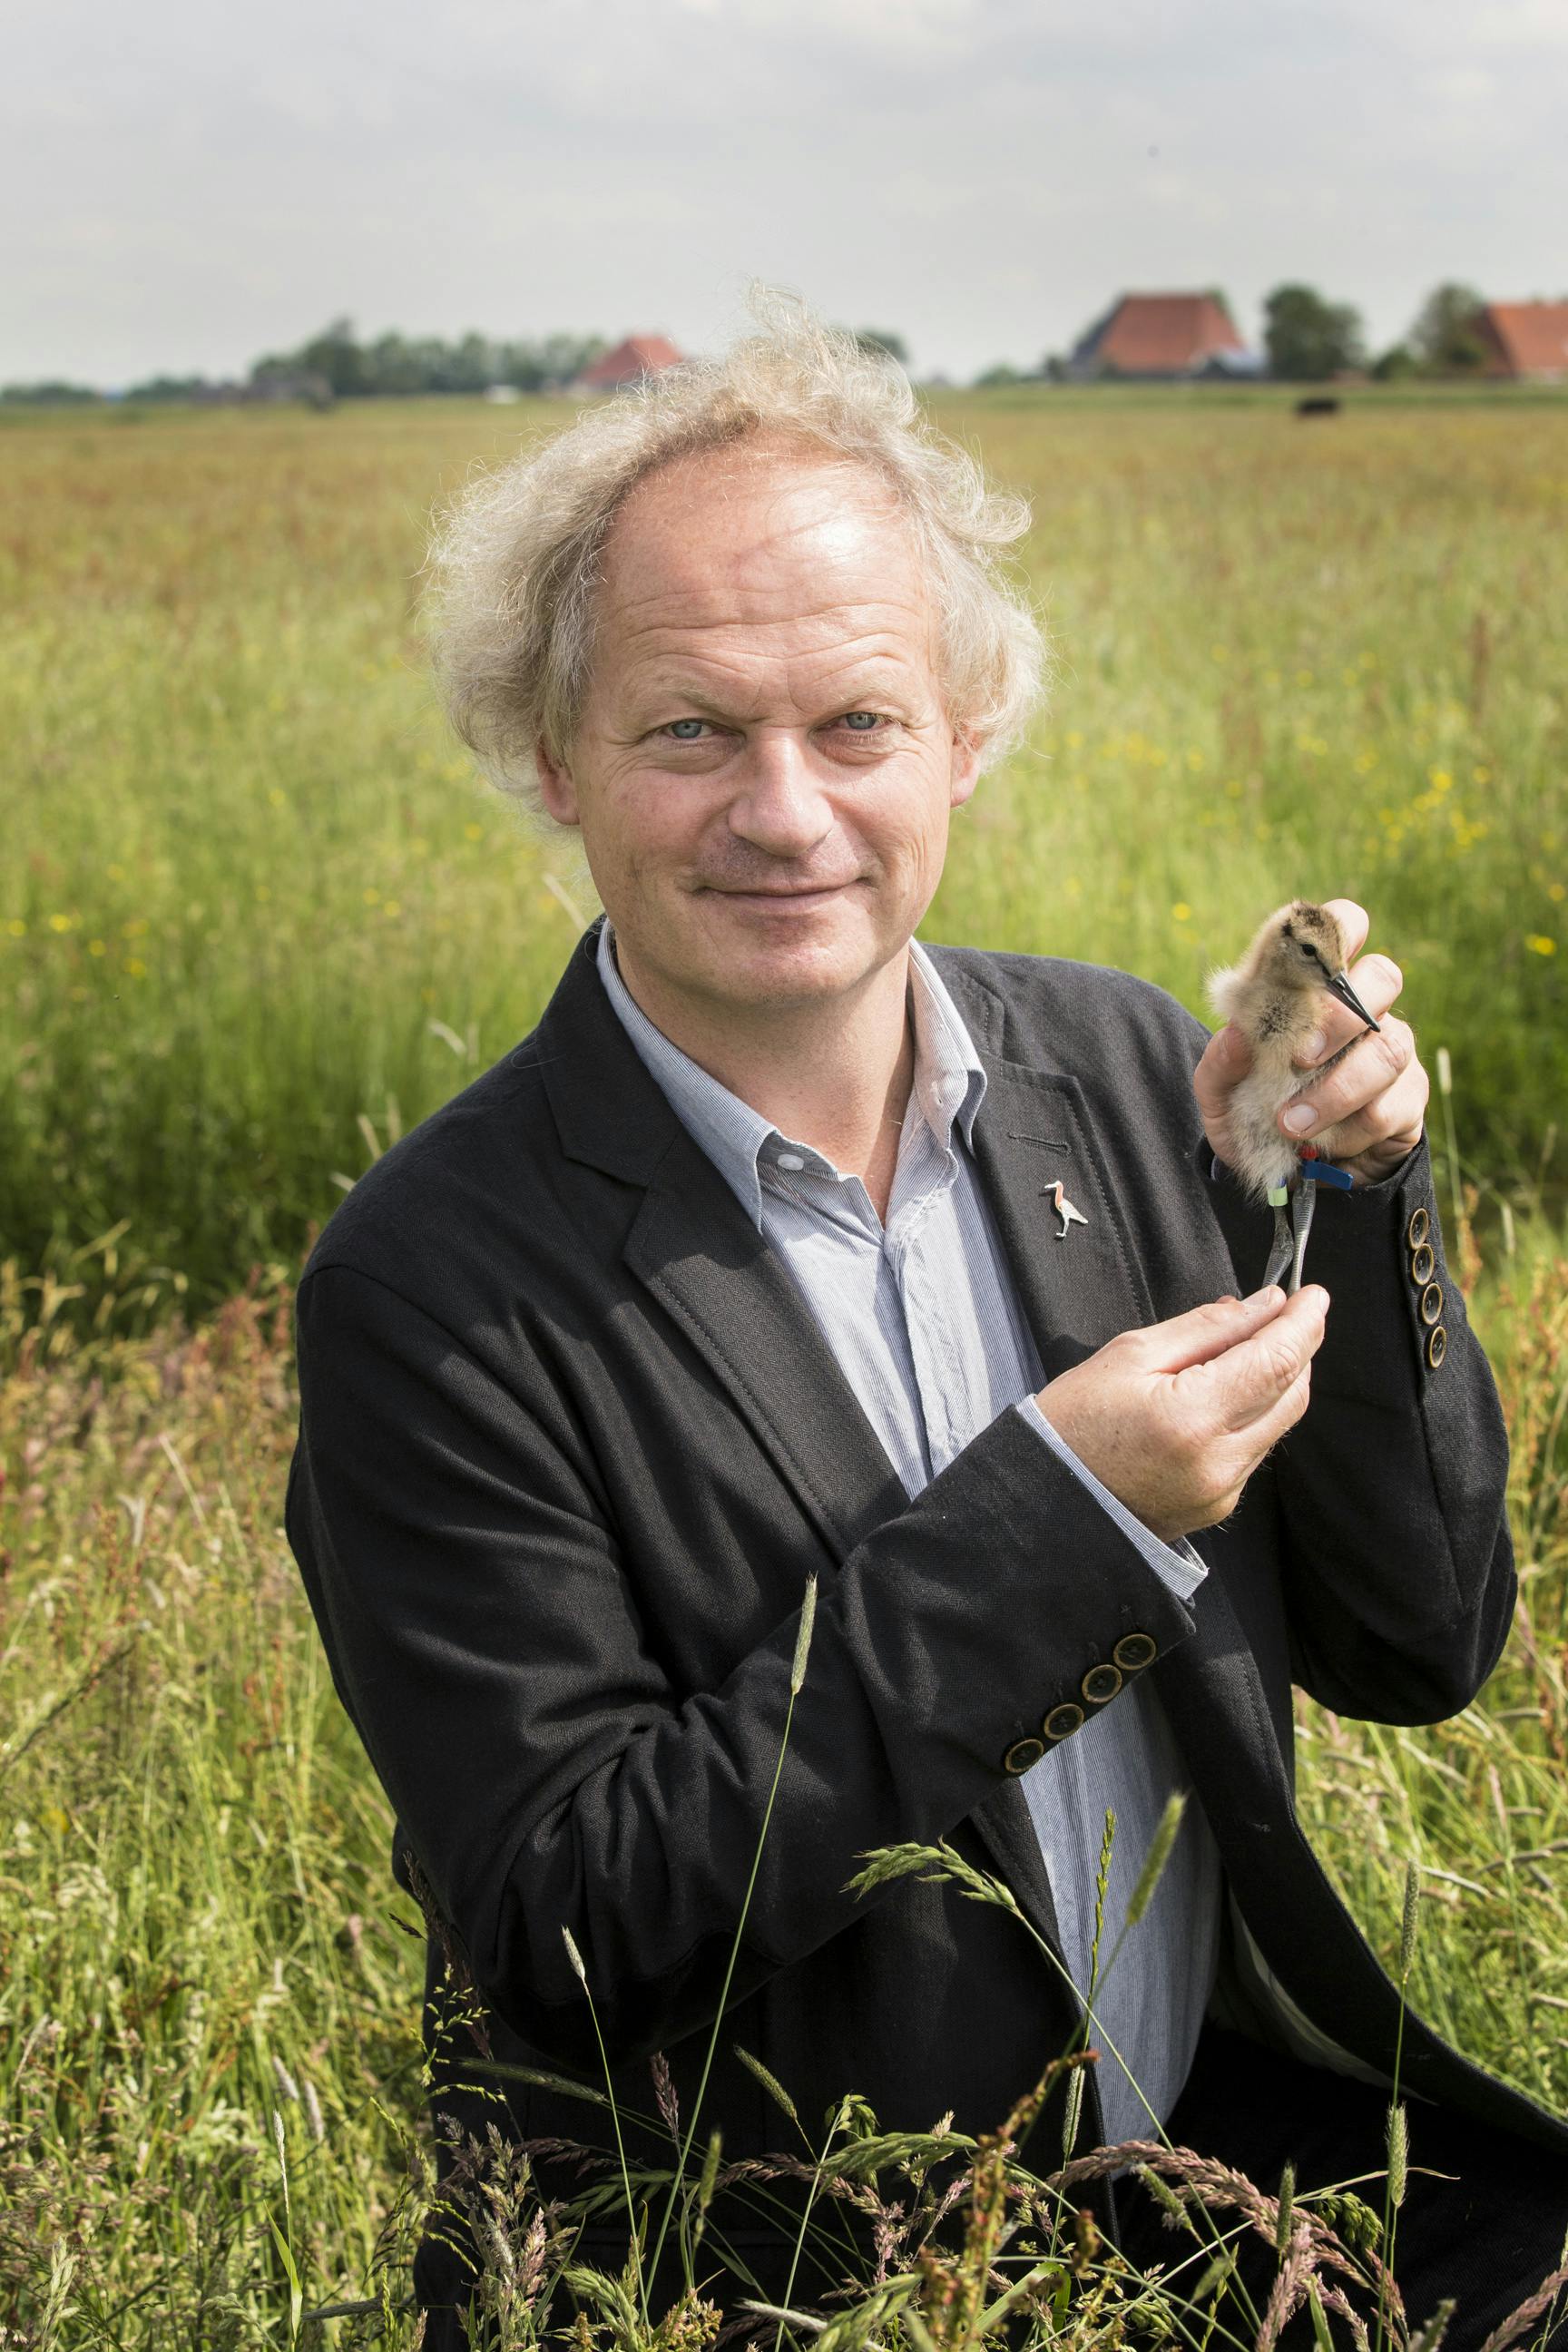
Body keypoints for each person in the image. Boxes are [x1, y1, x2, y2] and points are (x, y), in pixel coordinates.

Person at [285, 306, 1568, 2345]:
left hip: (1232, 2198)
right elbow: (566, 1915)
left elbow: (1424, 1645)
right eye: (691, 728)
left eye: (859, 725)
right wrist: (1059, 1520)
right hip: (780, 2280)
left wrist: (1357, 1183)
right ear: (554, 756)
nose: (786, 813)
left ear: (968, 736)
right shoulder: (431, 1283)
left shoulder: (1137, 1079)